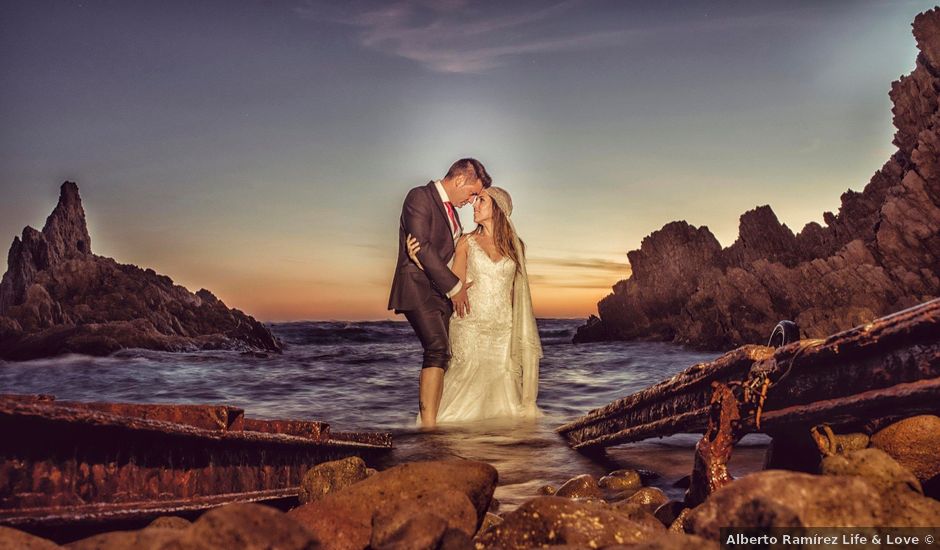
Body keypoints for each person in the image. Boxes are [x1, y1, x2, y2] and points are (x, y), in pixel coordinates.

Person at [406, 186, 542, 423]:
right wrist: (420, 263)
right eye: (475, 200)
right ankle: (446, 443)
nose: (474, 205)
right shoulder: (466, 242)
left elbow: (515, 294)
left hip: (503, 329)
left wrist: (516, 331)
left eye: (481, 201)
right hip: (469, 325)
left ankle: (498, 445)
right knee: (465, 382)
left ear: (498, 209)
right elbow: (450, 283)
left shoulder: (516, 246)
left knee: (503, 385)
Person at [388, 158, 490, 428]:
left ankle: (430, 421)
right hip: (417, 286)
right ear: (459, 180)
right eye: (471, 194)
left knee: (442, 352)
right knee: (436, 347)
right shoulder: (419, 196)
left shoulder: (453, 215)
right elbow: (420, 245)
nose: (470, 201)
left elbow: (439, 253)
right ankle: (428, 428)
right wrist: (454, 288)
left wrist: (455, 281)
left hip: (439, 290)